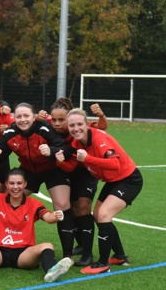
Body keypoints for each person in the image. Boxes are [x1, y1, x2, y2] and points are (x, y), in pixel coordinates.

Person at [59, 108, 142, 274]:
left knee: (103, 214)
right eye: (72, 125)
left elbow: (115, 164)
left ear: (87, 124)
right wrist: (59, 161)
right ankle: (119, 256)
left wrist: (88, 159)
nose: (76, 128)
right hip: (113, 180)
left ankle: (103, 264)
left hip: (129, 179)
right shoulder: (77, 143)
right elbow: (72, 166)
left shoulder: (98, 139)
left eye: (80, 124)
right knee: (97, 215)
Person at [0, 103, 76, 260]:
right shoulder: (10, 132)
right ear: (14, 118)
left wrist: (52, 152)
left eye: (26, 116)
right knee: (6, 199)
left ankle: (68, 254)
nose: (23, 120)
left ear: (33, 116)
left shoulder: (43, 128)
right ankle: (4, 245)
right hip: (29, 171)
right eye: (19, 117)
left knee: (62, 205)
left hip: (52, 170)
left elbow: (65, 149)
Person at [0, 168, 73, 283]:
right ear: (6, 184)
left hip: (24, 254)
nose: (15, 187)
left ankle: (52, 271)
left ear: (25, 184)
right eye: (11, 183)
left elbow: (48, 217)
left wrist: (56, 216)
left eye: (19, 183)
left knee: (47, 246)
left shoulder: (33, 203)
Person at [49, 98, 108, 266]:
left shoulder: (78, 127)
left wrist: (101, 115)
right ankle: (81, 245)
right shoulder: (51, 124)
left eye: (62, 120)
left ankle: (88, 254)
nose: (58, 123)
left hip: (86, 172)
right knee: (73, 210)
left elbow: (101, 127)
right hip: (69, 171)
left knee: (84, 207)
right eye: (55, 120)